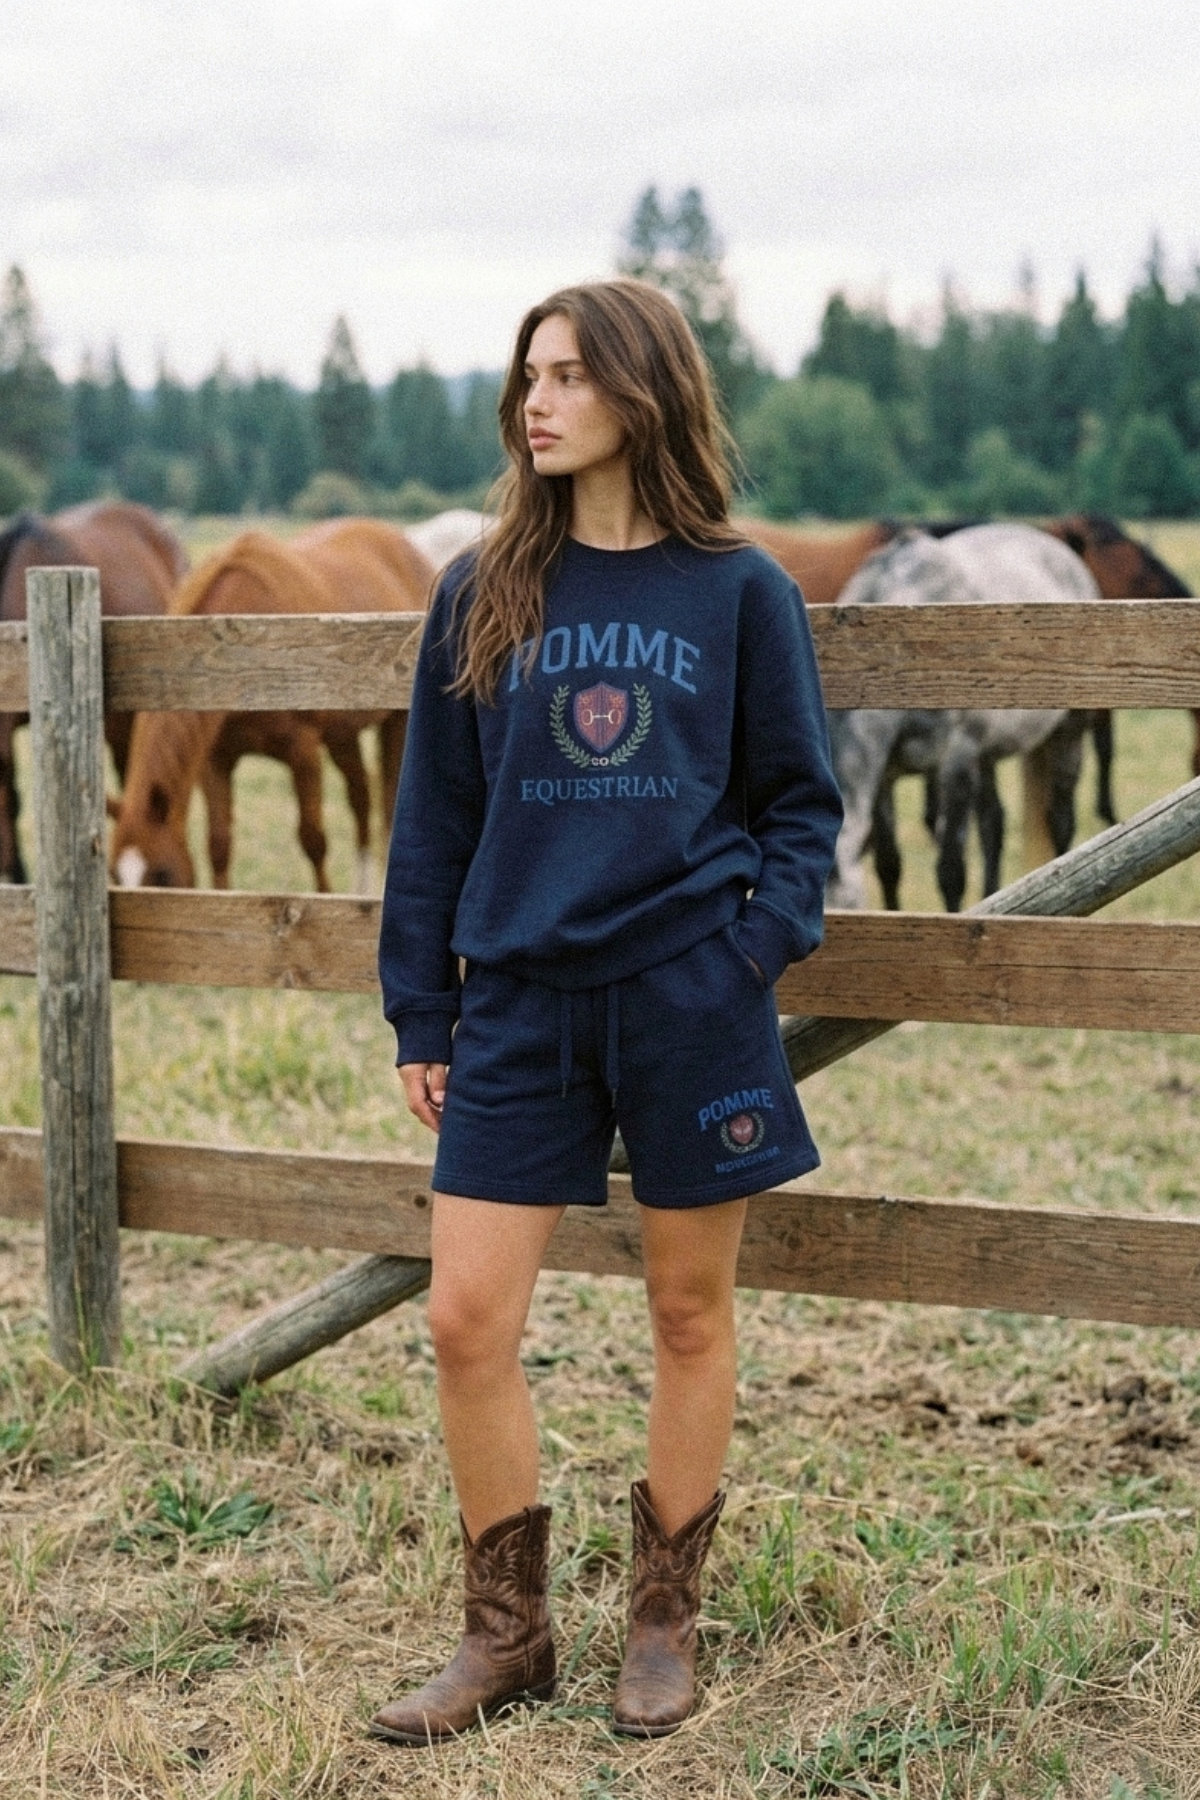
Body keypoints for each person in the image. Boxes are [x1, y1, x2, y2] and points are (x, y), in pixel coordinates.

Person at [371, 278, 843, 1745]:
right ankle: (506, 1636)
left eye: (571, 375)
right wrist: (421, 1011)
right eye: (530, 376)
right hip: (519, 1002)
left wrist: (749, 953)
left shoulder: (741, 592)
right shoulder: (485, 588)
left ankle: (661, 1625)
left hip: (691, 999)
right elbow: (434, 818)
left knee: (689, 1311)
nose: (538, 402)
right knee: (464, 1318)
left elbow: (800, 805)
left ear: (645, 392)